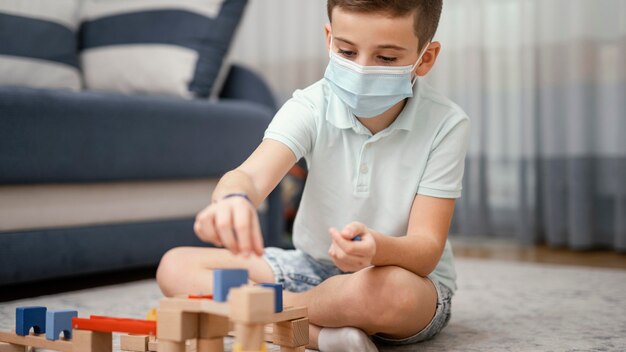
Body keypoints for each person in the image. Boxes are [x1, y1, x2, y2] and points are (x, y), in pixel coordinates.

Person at [157, 0, 470, 350]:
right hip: (310, 269)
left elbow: (426, 249)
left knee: (394, 295)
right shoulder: (311, 105)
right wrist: (233, 199)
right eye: (347, 50)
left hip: (397, 277)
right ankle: (321, 332)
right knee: (174, 266)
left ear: (424, 58)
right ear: (329, 39)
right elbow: (250, 176)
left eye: (386, 58)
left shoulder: (446, 124)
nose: (362, 70)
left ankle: (275, 312)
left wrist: (377, 249)